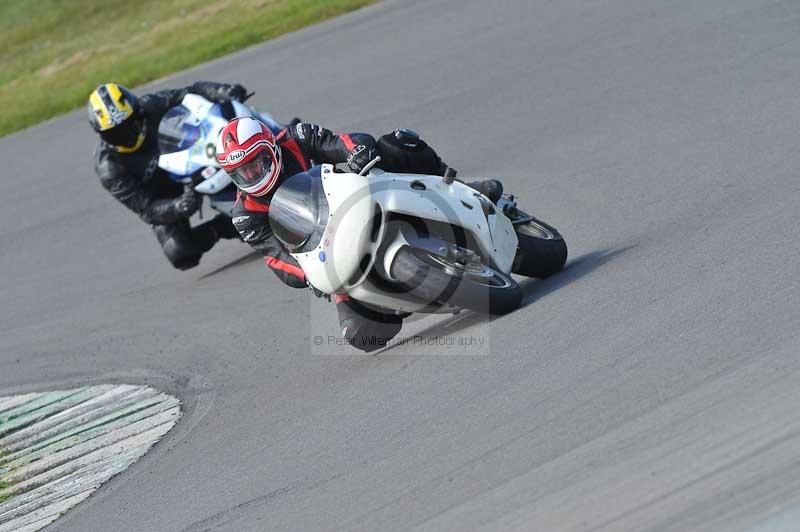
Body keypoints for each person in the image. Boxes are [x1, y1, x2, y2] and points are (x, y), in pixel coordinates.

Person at [216, 116, 501, 352]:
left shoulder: (297, 138)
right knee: (362, 335)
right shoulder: (246, 215)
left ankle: (467, 190)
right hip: (328, 247)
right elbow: (276, 257)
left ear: (272, 148)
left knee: (396, 144)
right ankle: (400, 297)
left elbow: (343, 142)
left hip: (356, 197)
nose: (252, 175)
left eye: (256, 163)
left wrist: (356, 153)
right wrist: (308, 275)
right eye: (242, 172)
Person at [88, 81, 247, 270]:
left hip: (194, 161)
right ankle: (224, 226)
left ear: (139, 113)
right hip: (166, 195)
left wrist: (221, 91)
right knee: (179, 251)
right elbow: (147, 210)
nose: (127, 136)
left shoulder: (150, 105)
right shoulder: (109, 167)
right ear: (101, 135)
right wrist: (178, 206)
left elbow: (189, 92)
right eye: (115, 134)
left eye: (129, 125)